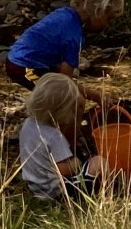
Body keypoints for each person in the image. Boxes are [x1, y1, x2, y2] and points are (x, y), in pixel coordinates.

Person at [5, 0, 125, 89]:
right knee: (61, 95)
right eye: (108, 19)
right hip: (23, 66)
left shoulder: (65, 13)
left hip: (21, 58)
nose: (107, 24)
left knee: (68, 93)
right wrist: (96, 96)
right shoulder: (73, 36)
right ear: (98, 11)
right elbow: (66, 82)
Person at [18, 72, 103, 201]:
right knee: (99, 162)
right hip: (56, 192)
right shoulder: (54, 136)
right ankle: (105, 194)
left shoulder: (28, 124)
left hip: (35, 186)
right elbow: (62, 170)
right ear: (62, 111)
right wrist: (77, 162)